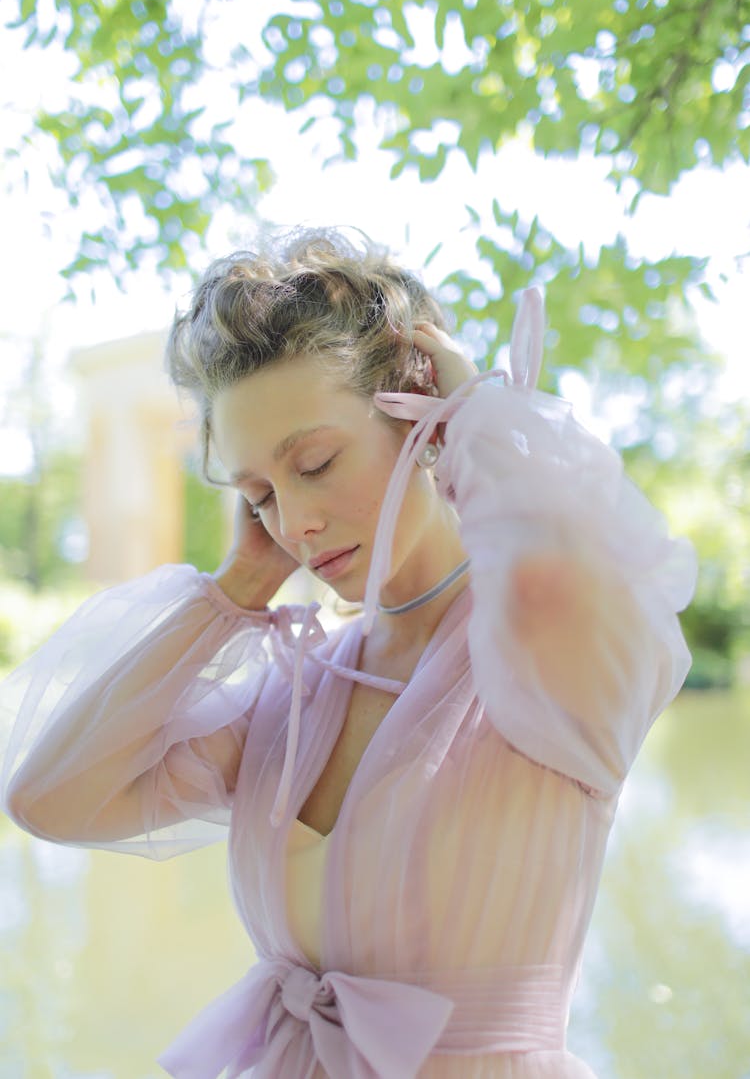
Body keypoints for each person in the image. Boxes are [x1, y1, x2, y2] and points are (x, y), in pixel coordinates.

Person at [0, 227, 697, 1078]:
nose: (293, 524)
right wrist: (233, 593)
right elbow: (47, 799)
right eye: (260, 494)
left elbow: (572, 571)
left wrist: (478, 410)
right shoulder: (296, 687)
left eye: (316, 462)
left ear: (420, 415)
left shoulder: (553, 671)